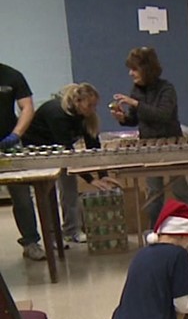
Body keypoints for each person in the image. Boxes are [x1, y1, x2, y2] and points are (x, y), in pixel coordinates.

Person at [111, 47, 188, 244]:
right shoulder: (137, 90)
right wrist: (123, 118)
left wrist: (135, 104)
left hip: (171, 143)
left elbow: (163, 115)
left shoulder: (167, 89)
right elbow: (135, 118)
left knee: (180, 190)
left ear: (146, 69)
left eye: (134, 69)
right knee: (153, 192)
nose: (130, 73)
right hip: (148, 146)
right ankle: (155, 231)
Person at [23, 83, 117, 244]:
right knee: (46, 193)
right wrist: (90, 179)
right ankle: (51, 236)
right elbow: (68, 153)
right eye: (90, 105)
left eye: (95, 105)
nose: (93, 109)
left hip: (61, 148)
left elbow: (93, 148)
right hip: (38, 148)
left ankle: (71, 230)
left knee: (70, 188)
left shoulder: (87, 117)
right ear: (78, 102)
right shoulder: (58, 114)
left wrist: (103, 175)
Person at [0, 62, 47, 261]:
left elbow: (27, 107)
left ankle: (30, 242)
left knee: (22, 197)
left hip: (8, 143)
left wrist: (15, 135)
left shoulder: (12, 75)